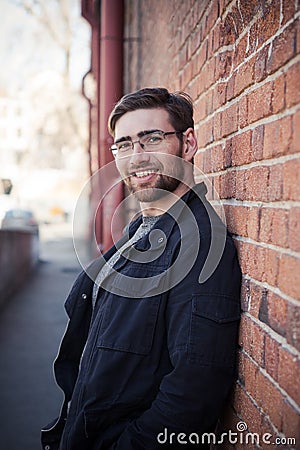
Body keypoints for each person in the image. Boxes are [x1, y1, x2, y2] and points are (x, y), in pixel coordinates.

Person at [41, 87, 241, 450]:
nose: (137, 157)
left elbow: (194, 391)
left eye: (151, 139)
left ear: (188, 142)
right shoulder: (139, 232)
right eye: (124, 144)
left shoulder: (198, 244)